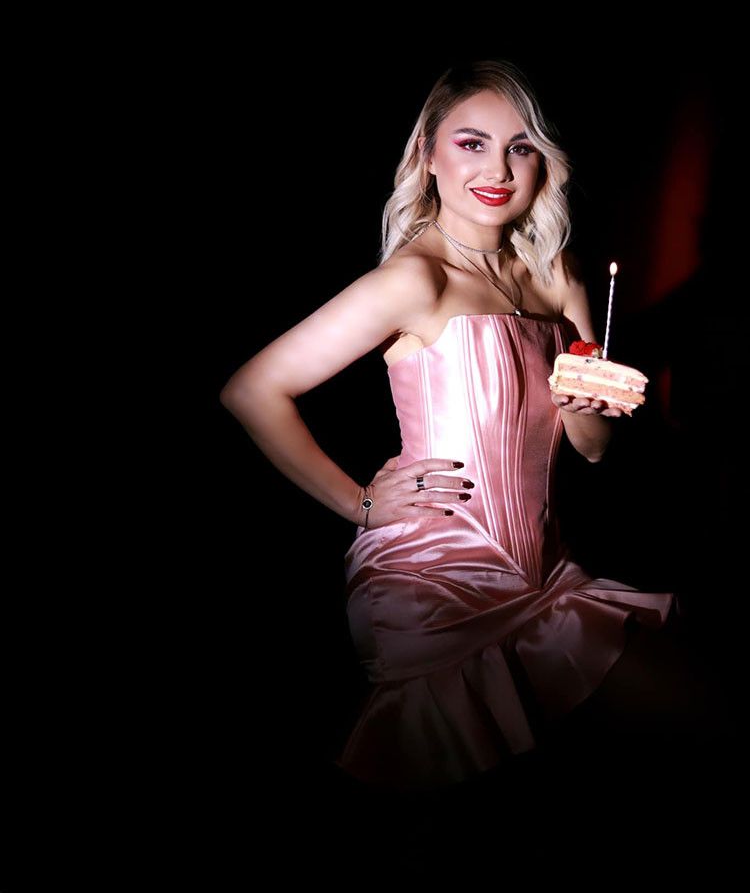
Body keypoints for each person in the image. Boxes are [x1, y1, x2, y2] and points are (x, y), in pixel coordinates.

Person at [219, 60, 727, 810]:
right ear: (428, 153)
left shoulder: (557, 276)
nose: (498, 170)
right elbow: (252, 390)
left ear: (542, 162)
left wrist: (589, 400)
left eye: (520, 147)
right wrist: (360, 503)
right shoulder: (414, 279)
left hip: (543, 569)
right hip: (434, 577)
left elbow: (591, 447)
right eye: (472, 143)